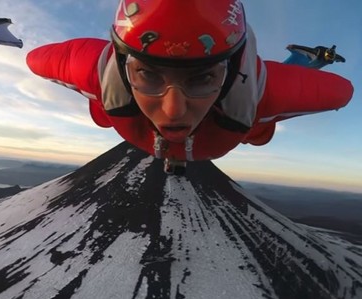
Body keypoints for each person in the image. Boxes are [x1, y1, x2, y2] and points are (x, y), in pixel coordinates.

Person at [26, 0, 353, 172]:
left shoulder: (97, 78)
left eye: (203, 77)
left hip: (241, 102)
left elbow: (40, 60)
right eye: (148, 74)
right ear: (125, 71)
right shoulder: (256, 100)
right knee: (256, 120)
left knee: (257, 116)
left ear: (230, 72)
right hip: (238, 110)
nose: (174, 110)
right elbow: (339, 91)